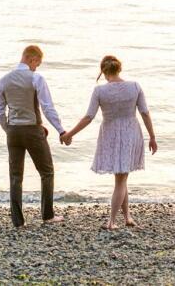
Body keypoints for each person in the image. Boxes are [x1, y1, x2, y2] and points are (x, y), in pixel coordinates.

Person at [62, 55, 157, 230]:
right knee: (122, 177)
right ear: (119, 69)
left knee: (121, 178)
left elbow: (89, 117)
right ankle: (127, 217)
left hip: (110, 135)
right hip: (131, 132)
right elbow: (144, 112)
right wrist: (152, 136)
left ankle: (112, 221)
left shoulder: (100, 91)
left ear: (104, 72)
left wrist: (70, 134)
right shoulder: (134, 86)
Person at [0, 45, 67, 227]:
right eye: (37, 64)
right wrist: (61, 130)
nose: (37, 68)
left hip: (12, 131)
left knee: (15, 176)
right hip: (33, 130)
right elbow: (47, 107)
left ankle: (18, 221)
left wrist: (9, 130)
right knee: (47, 172)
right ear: (32, 59)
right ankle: (47, 215)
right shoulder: (36, 78)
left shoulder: (3, 80)